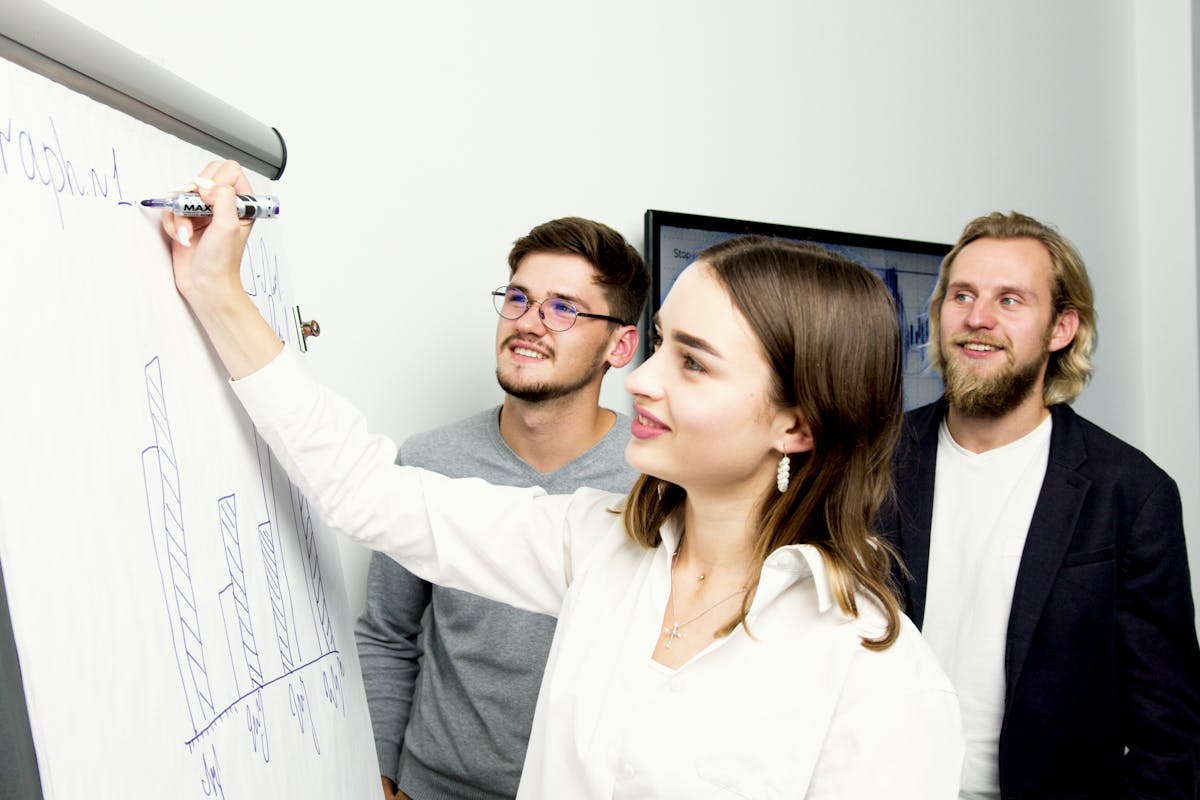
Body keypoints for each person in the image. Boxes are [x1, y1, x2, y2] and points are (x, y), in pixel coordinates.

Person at [162, 161, 963, 798]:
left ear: (796, 423)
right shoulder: (600, 546)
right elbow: (370, 493)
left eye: (692, 363)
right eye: (659, 347)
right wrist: (217, 292)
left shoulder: (871, 668)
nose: (645, 381)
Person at [881, 210, 1200, 799]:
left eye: (1010, 301)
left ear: (1061, 329)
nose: (977, 319)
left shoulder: (1130, 492)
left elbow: (1169, 733)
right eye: (963, 295)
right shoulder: (870, 463)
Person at [354, 216, 648, 800]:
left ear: (619, 345)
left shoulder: (653, 484)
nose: (529, 324)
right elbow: (388, 634)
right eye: (518, 298)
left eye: (564, 308)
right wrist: (382, 775)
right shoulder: (429, 460)